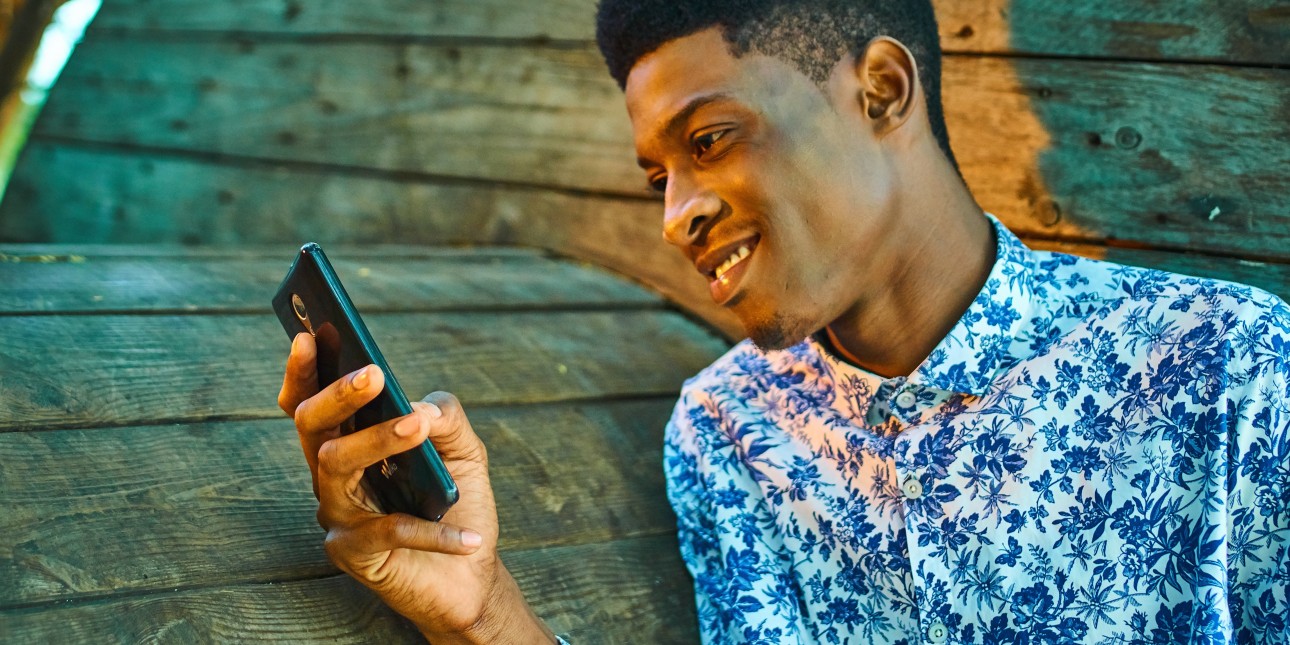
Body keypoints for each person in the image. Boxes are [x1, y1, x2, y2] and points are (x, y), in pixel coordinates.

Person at [277, 0, 1290, 642]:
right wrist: (481, 612)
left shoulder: (1229, 370)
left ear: (883, 90)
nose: (677, 215)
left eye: (710, 139)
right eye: (656, 177)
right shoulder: (729, 431)